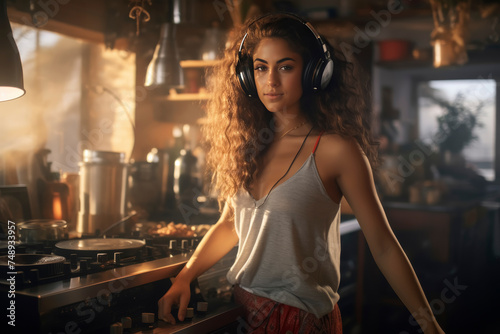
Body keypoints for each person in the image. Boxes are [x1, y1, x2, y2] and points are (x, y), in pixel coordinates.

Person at [158, 13, 445, 334]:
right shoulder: (245, 146)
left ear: (313, 73)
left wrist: (428, 322)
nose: (271, 82)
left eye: (285, 67)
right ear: (246, 77)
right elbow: (229, 224)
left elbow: (383, 245)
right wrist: (185, 277)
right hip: (241, 311)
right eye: (260, 68)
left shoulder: (336, 150)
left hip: (301, 320)